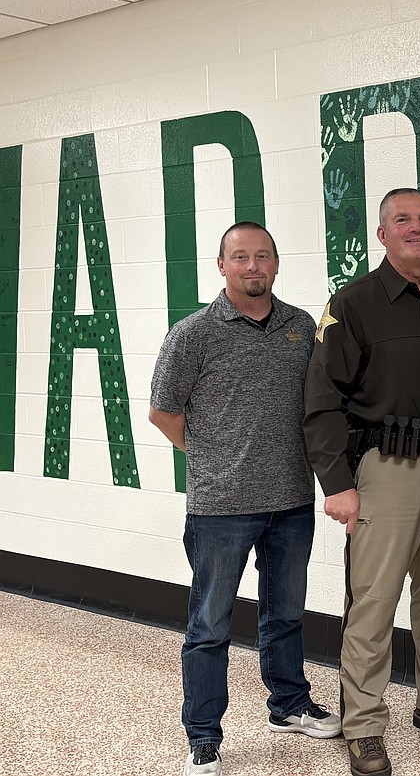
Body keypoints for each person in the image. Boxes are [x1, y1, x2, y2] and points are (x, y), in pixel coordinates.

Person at [303, 188, 420, 776]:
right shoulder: (354, 303)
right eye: (402, 220)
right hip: (385, 469)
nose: (417, 227)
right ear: (381, 235)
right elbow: (322, 399)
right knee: (374, 602)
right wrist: (336, 483)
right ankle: (361, 722)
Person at [149, 222, 339, 776]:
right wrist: (212, 456)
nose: (252, 266)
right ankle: (203, 736)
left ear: (276, 264)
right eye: (240, 258)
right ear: (222, 265)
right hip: (219, 509)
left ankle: (289, 705)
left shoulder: (301, 327)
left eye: (262, 257)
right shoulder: (194, 333)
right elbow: (164, 411)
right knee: (209, 624)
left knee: (285, 615)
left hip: (291, 503)